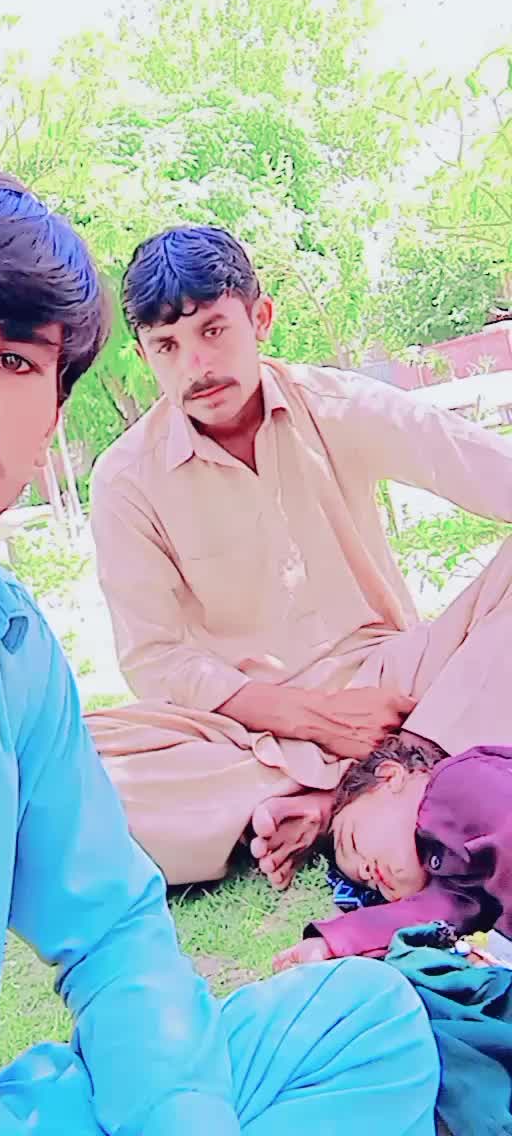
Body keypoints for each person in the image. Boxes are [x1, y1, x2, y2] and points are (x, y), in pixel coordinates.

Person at [0, 158, 440, 1135]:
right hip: (229, 741)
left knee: (364, 1019)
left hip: (377, 706)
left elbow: (113, 928)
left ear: (53, 415)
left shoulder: (5, 640)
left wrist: (181, 1118)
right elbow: (163, 667)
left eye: (15, 361)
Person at [86, 225, 512, 888]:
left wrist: (358, 717)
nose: (195, 365)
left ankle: (347, 788)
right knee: (75, 765)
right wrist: (316, 722)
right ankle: (390, 778)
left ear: (260, 318)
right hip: (247, 730)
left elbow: (486, 469)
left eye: (213, 331)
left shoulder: (337, 406)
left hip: (393, 689)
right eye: (167, 346)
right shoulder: (124, 479)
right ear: (145, 356)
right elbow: (156, 659)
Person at [272, 737, 512, 970]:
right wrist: (328, 944)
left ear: (390, 777)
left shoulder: (458, 780)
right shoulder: (456, 883)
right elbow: (416, 916)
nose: (366, 870)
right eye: (369, 885)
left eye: (353, 841)